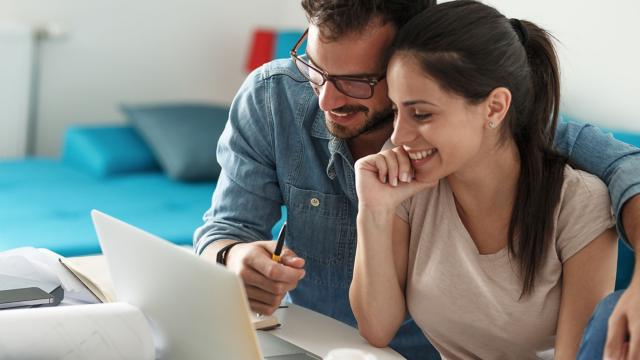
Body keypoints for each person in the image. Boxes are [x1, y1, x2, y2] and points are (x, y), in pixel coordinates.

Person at [193, 1, 640, 359]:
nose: (327, 98)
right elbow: (221, 232)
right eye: (313, 67)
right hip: (313, 342)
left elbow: (629, 169)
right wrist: (233, 258)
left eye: (357, 81)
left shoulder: (506, 141)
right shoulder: (273, 98)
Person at [350, 1, 617, 358]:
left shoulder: (579, 204)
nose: (399, 135)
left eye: (421, 114)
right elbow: (377, 328)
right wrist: (374, 212)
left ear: (494, 108)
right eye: (397, 110)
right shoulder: (409, 183)